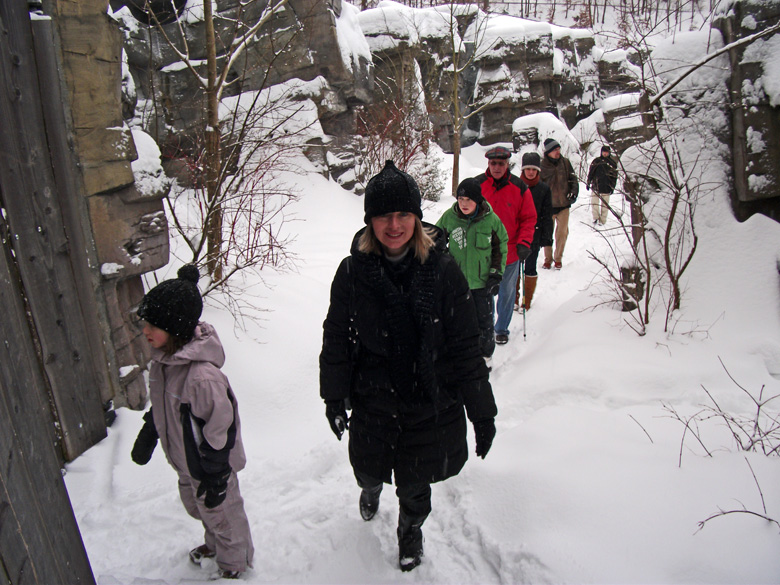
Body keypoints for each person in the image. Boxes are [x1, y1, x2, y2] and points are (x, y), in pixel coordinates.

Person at [319, 160, 498, 573]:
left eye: (403, 214)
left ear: (417, 218)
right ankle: (370, 489)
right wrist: (334, 395)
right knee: (367, 469)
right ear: (370, 221)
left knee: (416, 487)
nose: (394, 224)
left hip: (428, 400)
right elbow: (337, 337)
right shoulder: (352, 273)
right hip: (373, 400)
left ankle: (410, 529)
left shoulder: (443, 271)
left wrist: (482, 412)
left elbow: (465, 347)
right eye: (383, 214)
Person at [131, 265, 253, 580]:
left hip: (212, 468)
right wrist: (150, 431)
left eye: (153, 325)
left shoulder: (202, 378)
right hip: (188, 465)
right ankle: (215, 546)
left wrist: (216, 476)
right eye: (145, 323)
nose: (146, 331)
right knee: (200, 510)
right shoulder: (163, 364)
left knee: (224, 516)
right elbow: (163, 405)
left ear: (176, 329)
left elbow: (221, 430)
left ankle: (235, 564)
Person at [436, 177, 508, 366]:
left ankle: (485, 355)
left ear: (478, 200)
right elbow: (434, 240)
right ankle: (458, 354)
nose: (464, 204)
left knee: (484, 321)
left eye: (468, 199)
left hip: (482, 283)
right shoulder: (449, 217)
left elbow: (501, 247)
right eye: (460, 199)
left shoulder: (490, 220)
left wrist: (495, 274)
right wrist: (445, 262)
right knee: (455, 320)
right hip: (456, 283)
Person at [476, 145, 537, 345]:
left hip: (510, 252)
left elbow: (529, 218)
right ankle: (484, 327)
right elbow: (464, 212)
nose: (496, 167)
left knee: (507, 292)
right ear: (488, 164)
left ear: (507, 164)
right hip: (482, 251)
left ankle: (501, 328)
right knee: (483, 291)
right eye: (493, 163)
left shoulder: (520, 188)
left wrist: (525, 242)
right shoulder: (477, 185)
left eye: (500, 163)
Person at [515, 151, 553, 311]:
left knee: (530, 268)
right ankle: (514, 299)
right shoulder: (515, 186)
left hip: (534, 236)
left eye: (534, 169)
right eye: (528, 169)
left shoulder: (544, 189)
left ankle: (527, 299)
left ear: (538, 170)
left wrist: (547, 238)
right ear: (523, 170)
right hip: (515, 235)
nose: (530, 172)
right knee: (514, 269)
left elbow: (547, 215)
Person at [540, 138, 579, 270]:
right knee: (547, 234)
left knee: (562, 233)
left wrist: (574, 192)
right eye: (555, 150)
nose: (558, 152)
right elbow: (537, 185)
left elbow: (573, 179)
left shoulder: (565, 163)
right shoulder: (542, 166)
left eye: (558, 149)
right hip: (548, 206)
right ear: (548, 152)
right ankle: (547, 259)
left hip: (563, 204)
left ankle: (558, 259)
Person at [586, 144, 618, 226]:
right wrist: (588, 182)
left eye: (606, 152)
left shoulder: (612, 164)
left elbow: (614, 177)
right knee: (594, 203)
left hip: (607, 187)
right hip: (596, 185)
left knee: (605, 205)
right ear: (601, 152)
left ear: (609, 153)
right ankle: (596, 218)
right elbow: (591, 173)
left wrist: (612, 187)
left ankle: (603, 221)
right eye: (604, 152)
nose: (605, 154)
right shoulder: (596, 161)